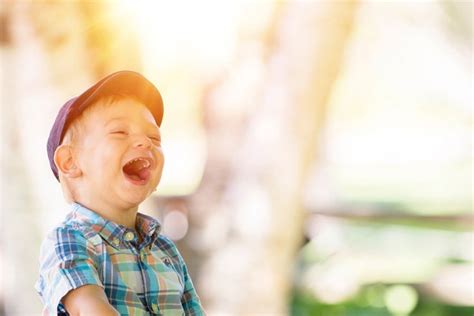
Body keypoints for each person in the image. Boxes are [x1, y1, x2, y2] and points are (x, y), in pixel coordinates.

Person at [35, 70, 205, 315]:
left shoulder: (165, 249)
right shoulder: (68, 241)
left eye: (154, 137)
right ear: (70, 161)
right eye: (120, 132)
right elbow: (89, 309)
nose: (145, 142)